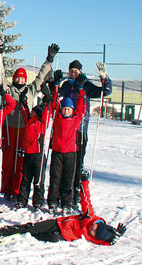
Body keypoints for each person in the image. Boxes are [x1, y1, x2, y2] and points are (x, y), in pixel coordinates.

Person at [0, 43, 58, 201]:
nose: (20, 79)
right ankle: (7, 188)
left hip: (25, 129)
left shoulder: (30, 90)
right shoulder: (9, 89)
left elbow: (41, 77)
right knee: (8, 161)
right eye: (17, 77)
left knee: (21, 161)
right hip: (9, 127)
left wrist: (49, 60)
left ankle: (18, 190)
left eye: (22, 78)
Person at [0, 173, 127, 246]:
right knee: (32, 227)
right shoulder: (89, 216)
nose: (92, 232)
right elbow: (86, 200)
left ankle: (25, 237)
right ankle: (5, 230)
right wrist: (84, 182)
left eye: (94, 234)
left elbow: (100, 241)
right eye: (94, 231)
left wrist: (111, 241)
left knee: (49, 238)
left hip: (61, 236)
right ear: (98, 226)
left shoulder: (92, 236)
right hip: (58, 223)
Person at [58, 60, 112, 200]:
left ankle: (76, 191)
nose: (74, 73)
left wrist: (104, 78)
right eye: (72, 70)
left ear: (80, 72)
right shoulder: (66, 85)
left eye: (76, 71)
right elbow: (55, 94)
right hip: (65, 130)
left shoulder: (86, 85)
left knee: (77, 162)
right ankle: (61, 191)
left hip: (80, 129)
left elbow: (105, 92)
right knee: (62, 163)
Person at [47, 78, 87, 213]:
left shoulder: (76, 119)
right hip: (58, 151)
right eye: (64, 109)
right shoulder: (57, 117)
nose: (66, 111)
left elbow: (82, 105)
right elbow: (54, 105)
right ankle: (52, 201)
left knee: (68, 179)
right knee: (55, 178)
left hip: (71, 153)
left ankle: (66, 203)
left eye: (68, 109)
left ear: (72, 110)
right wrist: (56, 88)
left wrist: (81, 90)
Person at [15, 104, 49, 211]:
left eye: (34, 111)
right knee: (25, 179)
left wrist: (47, 103)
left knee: (38, 180)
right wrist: (23, 103)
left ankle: (38, 202)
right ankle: (22, 200)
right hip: (28, 154)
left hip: (38, 155)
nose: (31, 112)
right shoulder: (28, 121)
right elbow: (24, 113)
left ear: (38, 114)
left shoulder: (41, 123)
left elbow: (46, 115)